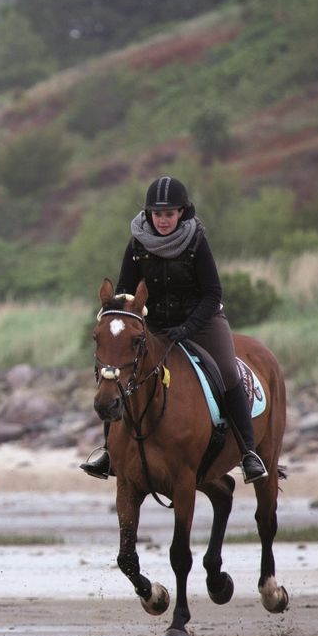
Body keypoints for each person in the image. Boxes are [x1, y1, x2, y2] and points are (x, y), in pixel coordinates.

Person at [81, 176, 267, 484]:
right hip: (152, 327)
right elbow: (126, 289)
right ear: (149, 215)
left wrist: (188, 326)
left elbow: (212, 293)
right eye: (157, 213)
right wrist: (126, 320)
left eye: (169, 214)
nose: (163, 220)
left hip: (202, 323)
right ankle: (109, 453)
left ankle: (248, 452)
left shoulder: (196, 241)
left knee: (227, 371)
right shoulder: (137, 243)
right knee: (118, 374)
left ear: (182, 213)